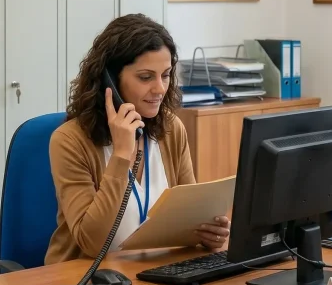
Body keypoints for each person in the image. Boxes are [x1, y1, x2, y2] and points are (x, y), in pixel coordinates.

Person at [45, 14, 230, 264]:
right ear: (109, 78)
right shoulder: (70, 141)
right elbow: (93, 244)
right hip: (87, 283)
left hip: (155, 275)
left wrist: (207, 234)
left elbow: (189, 220)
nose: (160, 88)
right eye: (145, 77)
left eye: (165, 75)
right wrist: (121, 155)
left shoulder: (171, 130)